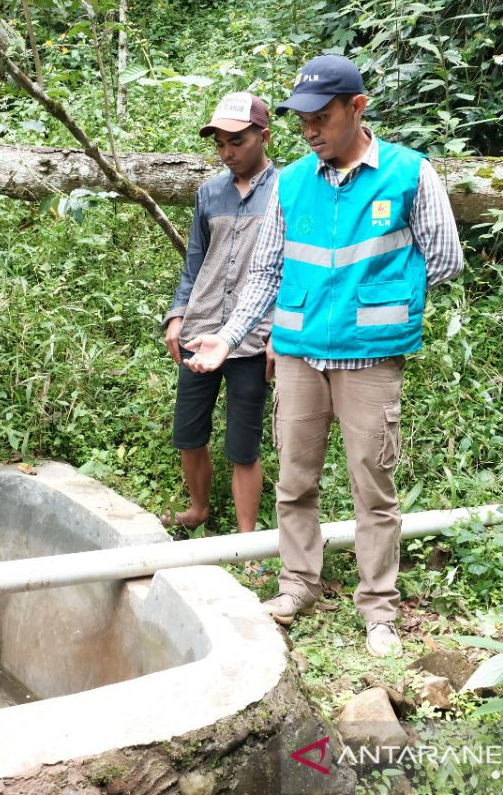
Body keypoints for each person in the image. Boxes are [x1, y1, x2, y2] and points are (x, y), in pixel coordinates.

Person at [183, 56, 464, 656]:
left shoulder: (409, 173)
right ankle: (297, 585)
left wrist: (379, 299)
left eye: (321, 117)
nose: (309, 130)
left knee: (373, 488)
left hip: (371, 358)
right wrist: (229, 337)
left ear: (356, 108)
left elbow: (443, 260)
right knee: (294, 481)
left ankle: (378, 608)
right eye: (301, 120)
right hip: (299, 354)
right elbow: (265, 272)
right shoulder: (292, 183)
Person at [161, 91, 276, 535]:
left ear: (262, 136)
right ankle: (199, 509)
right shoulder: (209, 192)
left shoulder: (287, 192)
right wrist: (177, 315)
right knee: (188, 432)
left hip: (253, 337)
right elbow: (195, 261)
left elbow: (294, 269)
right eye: (220, 144)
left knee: (243, 444)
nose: (227, 152)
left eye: (237, 142)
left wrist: (279, 331)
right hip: (201, 330)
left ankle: (246, 538)